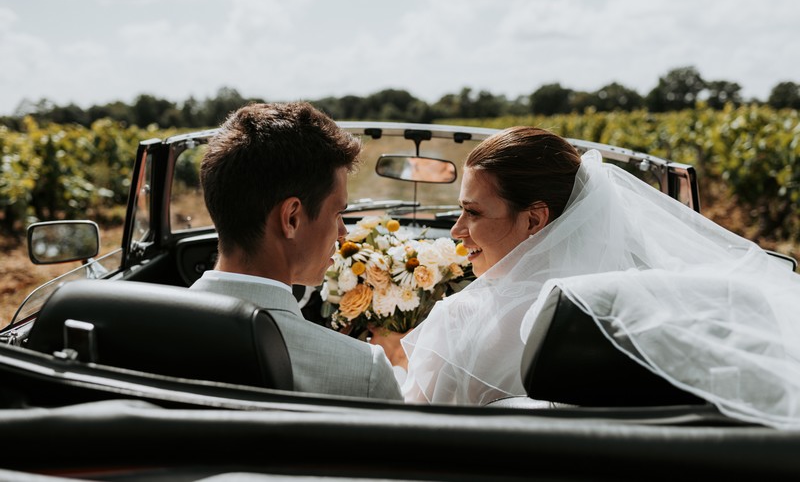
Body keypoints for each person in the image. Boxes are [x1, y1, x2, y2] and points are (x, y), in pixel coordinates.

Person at [379, 125, 800, 429]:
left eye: (472, 212)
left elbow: (409, 433)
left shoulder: (458, 320)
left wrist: (391, 357)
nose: (456, 230)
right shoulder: (650, 306)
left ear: (534, 219)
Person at [190, 101, 402, 401]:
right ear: (291, 218)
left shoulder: (139, 337)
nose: (343, 234)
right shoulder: (364, 372)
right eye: (337, 213)